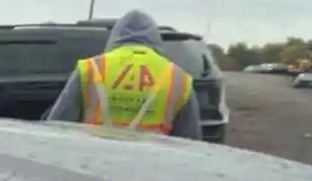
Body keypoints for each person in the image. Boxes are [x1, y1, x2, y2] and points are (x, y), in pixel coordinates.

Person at [45, 9, 202, 138]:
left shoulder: (90, 69)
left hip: (94, 166)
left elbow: (58, 131)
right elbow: (191, 146)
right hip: (154, 169)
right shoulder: (179, 79)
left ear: (115, 36)